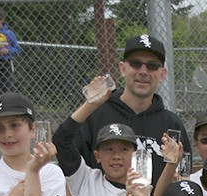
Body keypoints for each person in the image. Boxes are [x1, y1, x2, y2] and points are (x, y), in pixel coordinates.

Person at [75, 34, 191, 187]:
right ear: (123, 69)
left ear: (163, 74)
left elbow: (185, 175)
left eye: (152, 66)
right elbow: (73, 166)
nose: (143, 71)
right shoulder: (96, 115)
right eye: (136, 64)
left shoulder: (172, 124)